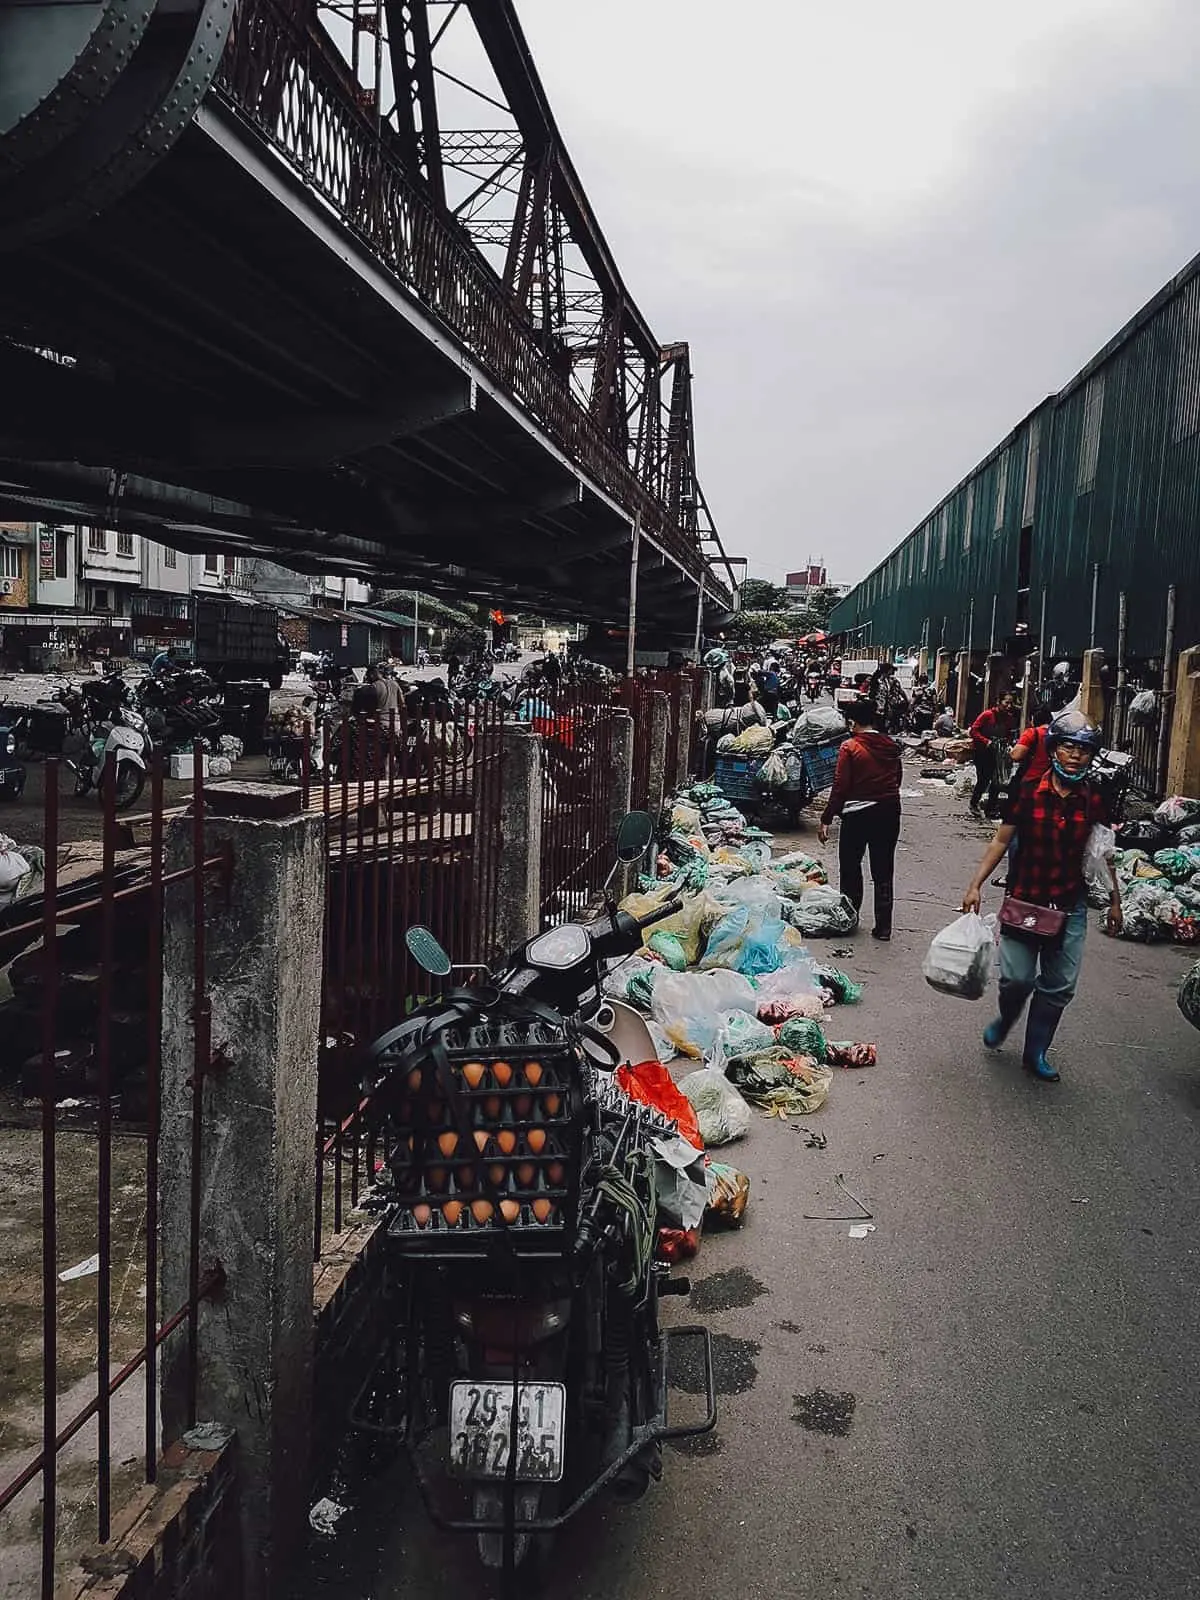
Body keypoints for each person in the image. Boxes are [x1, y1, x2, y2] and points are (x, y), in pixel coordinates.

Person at [961, 712, 1122, 1082]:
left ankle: (1036, 1051)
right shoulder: (1028, 790)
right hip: (1025, 899)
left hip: (1069, 903)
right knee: (1016, 979)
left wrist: (1115, 899)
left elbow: (1104, 850)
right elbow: (1001, 840)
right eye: (1068, 746)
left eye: (1083, 749)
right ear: (1053, 750)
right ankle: (1006, 1019)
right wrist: (975, 885)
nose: (1076, 755)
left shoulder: (1094, 797)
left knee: (1060, 984)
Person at [817, 698, 902, 940]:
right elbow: (897, 779)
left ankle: (850, 919)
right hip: (889, 811)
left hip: (857, 815)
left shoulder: (850, 747)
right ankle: (884, 928)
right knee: (883, 869)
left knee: (851, 866)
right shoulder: (891, 745)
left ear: (853, 722)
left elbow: (840, 787)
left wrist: (827, 817)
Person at [968, 693, 1016, 814]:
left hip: (998, 754)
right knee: (984, 779)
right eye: (1006, 702)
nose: (1009, 706)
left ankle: (991, 808)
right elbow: (974, 730)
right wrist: (986, 741)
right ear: (999, 702)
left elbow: (1009, 734)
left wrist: (1009, 744)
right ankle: (974, 804)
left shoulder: (1009, 718)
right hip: (982, 752)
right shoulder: (987, 715)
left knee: (997, 781)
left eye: (1011, 703)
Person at [869, 660, 909, 733]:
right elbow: (872, 695)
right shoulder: (877, 681)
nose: (892, 672)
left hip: (884, 708)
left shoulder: (886, 681)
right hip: (877, 708)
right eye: (891, 670)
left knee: (883, 729)